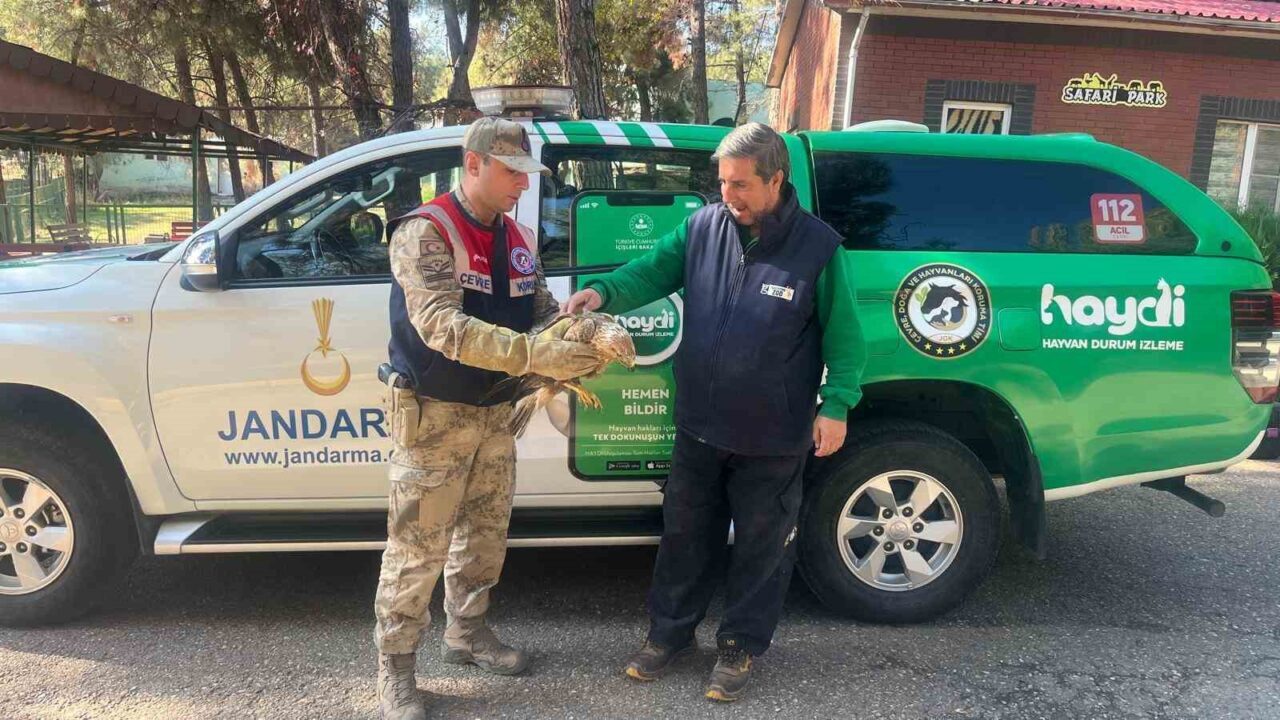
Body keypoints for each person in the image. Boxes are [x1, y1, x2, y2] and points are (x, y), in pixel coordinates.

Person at [562, 122, 867, 702]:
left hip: (773, 435)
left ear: (777, 179)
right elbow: (650, 270)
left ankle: (739, 648)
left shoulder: (818, 247)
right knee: (684, 536)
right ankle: (669, 635)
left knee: (760, 546)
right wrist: (602, 293)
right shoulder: (703, 227)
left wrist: (838, 403)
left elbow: (846, 337)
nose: (729, 194)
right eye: (723, 182)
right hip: (699, 425)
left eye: (743, 184)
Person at [374, 116, 599, 720]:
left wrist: (580, 335)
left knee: (483, 539)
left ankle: (467, 634)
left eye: (527, 174)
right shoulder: (426, 231)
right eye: (511, 172)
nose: (522, 185)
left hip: (497, 415)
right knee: (417, 546)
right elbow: (442, 327)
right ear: (473, 165)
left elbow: (542, 312)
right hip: (435, 419)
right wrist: (534, 352)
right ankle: (395, 668)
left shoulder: (517, 238)